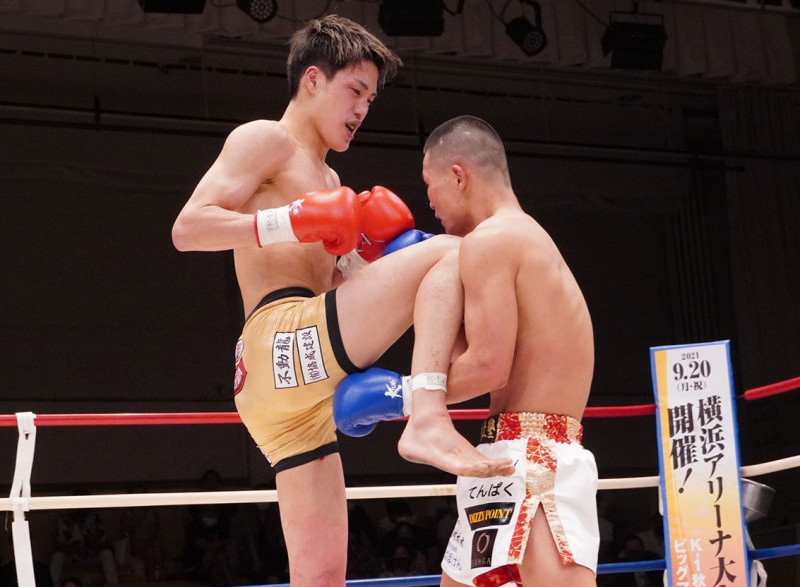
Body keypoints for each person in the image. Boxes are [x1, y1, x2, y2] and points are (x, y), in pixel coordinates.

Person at [171, 15, 511, 586]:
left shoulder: (332, 185)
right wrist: (290, 220)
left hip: (288, 385)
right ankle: (427, 408)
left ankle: (429, 394)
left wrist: (367, 260)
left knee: (323, 576)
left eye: (370, 99)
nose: (362, 109)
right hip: (278, 334)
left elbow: (333, 294)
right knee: (452, 253)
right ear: (312, 80)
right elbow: (188, 229)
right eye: (355, 90)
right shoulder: (266, 139)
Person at [334, 115, 599, 586]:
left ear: (458, 176)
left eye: (429, 184)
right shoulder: (517, 239)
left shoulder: (491, 241)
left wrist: (399, 396)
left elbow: (489, 367)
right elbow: (480, 352)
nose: (429, 200)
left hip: (532, 458)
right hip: (507, 454)